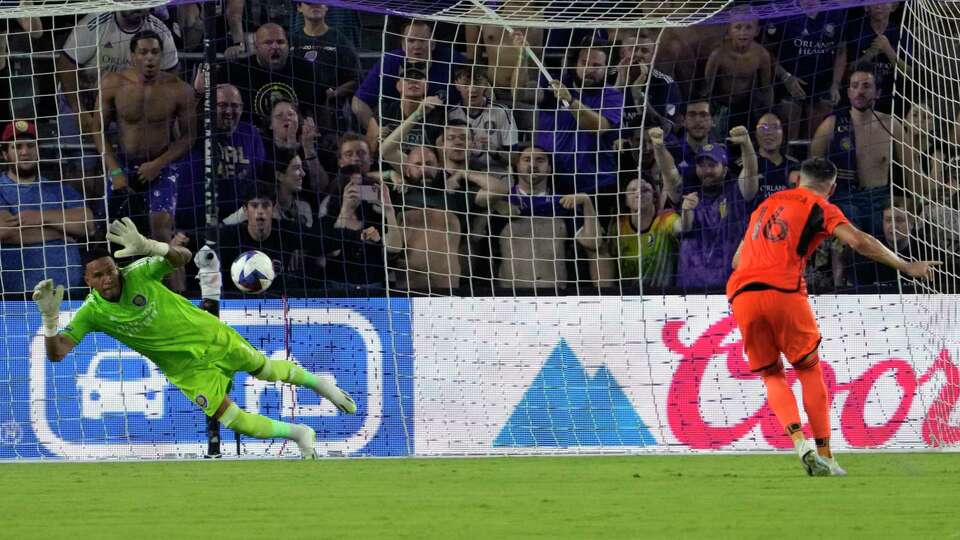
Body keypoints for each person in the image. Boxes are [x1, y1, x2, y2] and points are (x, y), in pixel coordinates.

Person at [32, 219, 356, 459]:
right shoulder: (92, 312)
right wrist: (49, 322)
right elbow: (57, 353)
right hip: (185, 370)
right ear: (87, 281)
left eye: (110, 271)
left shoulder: (139, 272)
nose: (107, 279)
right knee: (233, 420)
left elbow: (183, 258)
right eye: (98, 276)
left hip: (209, 335)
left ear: (117, 268)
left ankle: (321, 385)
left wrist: (152, 246)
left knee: (265, 369)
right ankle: (299, 433)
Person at [726, 157, 939, 476]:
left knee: (772, 374)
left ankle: (799, 441)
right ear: (833, 187)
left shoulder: (767, 204)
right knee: (808, 369)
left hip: (741, 293)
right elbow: (859, 241)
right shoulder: (820, 205)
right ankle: (825, 454)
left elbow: (737, 258)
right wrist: (906, 266)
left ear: (798, 179)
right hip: (783, 290)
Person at [95, 31, 195, 291]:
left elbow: (189, 137)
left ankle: (178, 297)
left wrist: (159, 164)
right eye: (143, 52)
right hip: (123, 163)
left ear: (162, 56)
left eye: (155, 52)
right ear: (132, 56)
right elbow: (96, 129)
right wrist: (114, 169)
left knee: (161, 227)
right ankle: (116, 296)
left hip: (161, 163)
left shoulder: (178, 89)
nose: (149, 58)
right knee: (115, 233)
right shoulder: (113, 84)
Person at [651, 125, 759, 291]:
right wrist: (658, 147)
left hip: (730, 289)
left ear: (725, 170)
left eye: (712, 165)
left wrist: (746, 143)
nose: (706, 170)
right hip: (689, 290)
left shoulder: (737, 193)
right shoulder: (688, 195)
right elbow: (669, 173)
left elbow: (751, 170)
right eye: (702, 165)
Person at [810, 65, 907, 237]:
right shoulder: (831, 125)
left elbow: (911, 169)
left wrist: (921, 200)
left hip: (879, 199)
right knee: (848, 246)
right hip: (843, 197)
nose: (859, 91)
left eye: (866, 86)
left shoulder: (892, 125)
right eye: (854, 86)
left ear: (877, 93)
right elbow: (812, 170)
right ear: (848, 93)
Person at [0, 121, 94, 293]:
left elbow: (87, 225)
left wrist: (40, 217)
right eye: (17, 147)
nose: (25, 152)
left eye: (31, 146)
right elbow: (5, 231)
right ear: (5, 154)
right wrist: (60, 231)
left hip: (70, 291)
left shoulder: (60, 188)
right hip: (19, 294)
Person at [352, 19, 467, 129]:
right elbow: (358, 104)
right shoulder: (390, 62)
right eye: (411, 41)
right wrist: (376, 134)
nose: (417, 46)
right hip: (397, 132)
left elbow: (478, 88)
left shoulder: (452, 59)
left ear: (433, 43)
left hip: (441, 132)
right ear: (403, 44)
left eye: (422, 41)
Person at [762, 4, 848, 140]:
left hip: (822, 82)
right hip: (788, 81)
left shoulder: (835, 13)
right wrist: (785, 77)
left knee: (819, 133)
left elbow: (841, 51)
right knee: (790, 114)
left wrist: (836, 84)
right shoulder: (783, 11)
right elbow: (766, 51)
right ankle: (789, 155)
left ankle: (815, 158)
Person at [701, 19, 773, 135]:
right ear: (729, 31)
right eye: (738, 27)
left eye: (748, 27)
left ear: (757, 31)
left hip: (745, 105)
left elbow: (766, 88)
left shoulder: (761, 55)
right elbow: (707, 87)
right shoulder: (718, 54)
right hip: (720, 104)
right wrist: (707, 113)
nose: (743, 32)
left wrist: (768, 113)